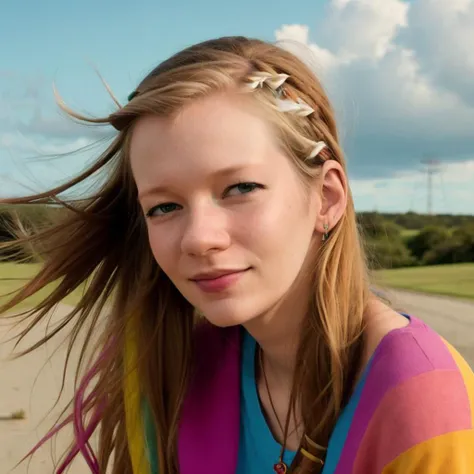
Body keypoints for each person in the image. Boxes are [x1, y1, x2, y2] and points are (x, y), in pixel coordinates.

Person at [1, 36, 473, 474]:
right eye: (164, 206)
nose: (199, 238)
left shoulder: (422, 398)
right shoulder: (174, 371)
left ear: (326, 198)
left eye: (240, 188)